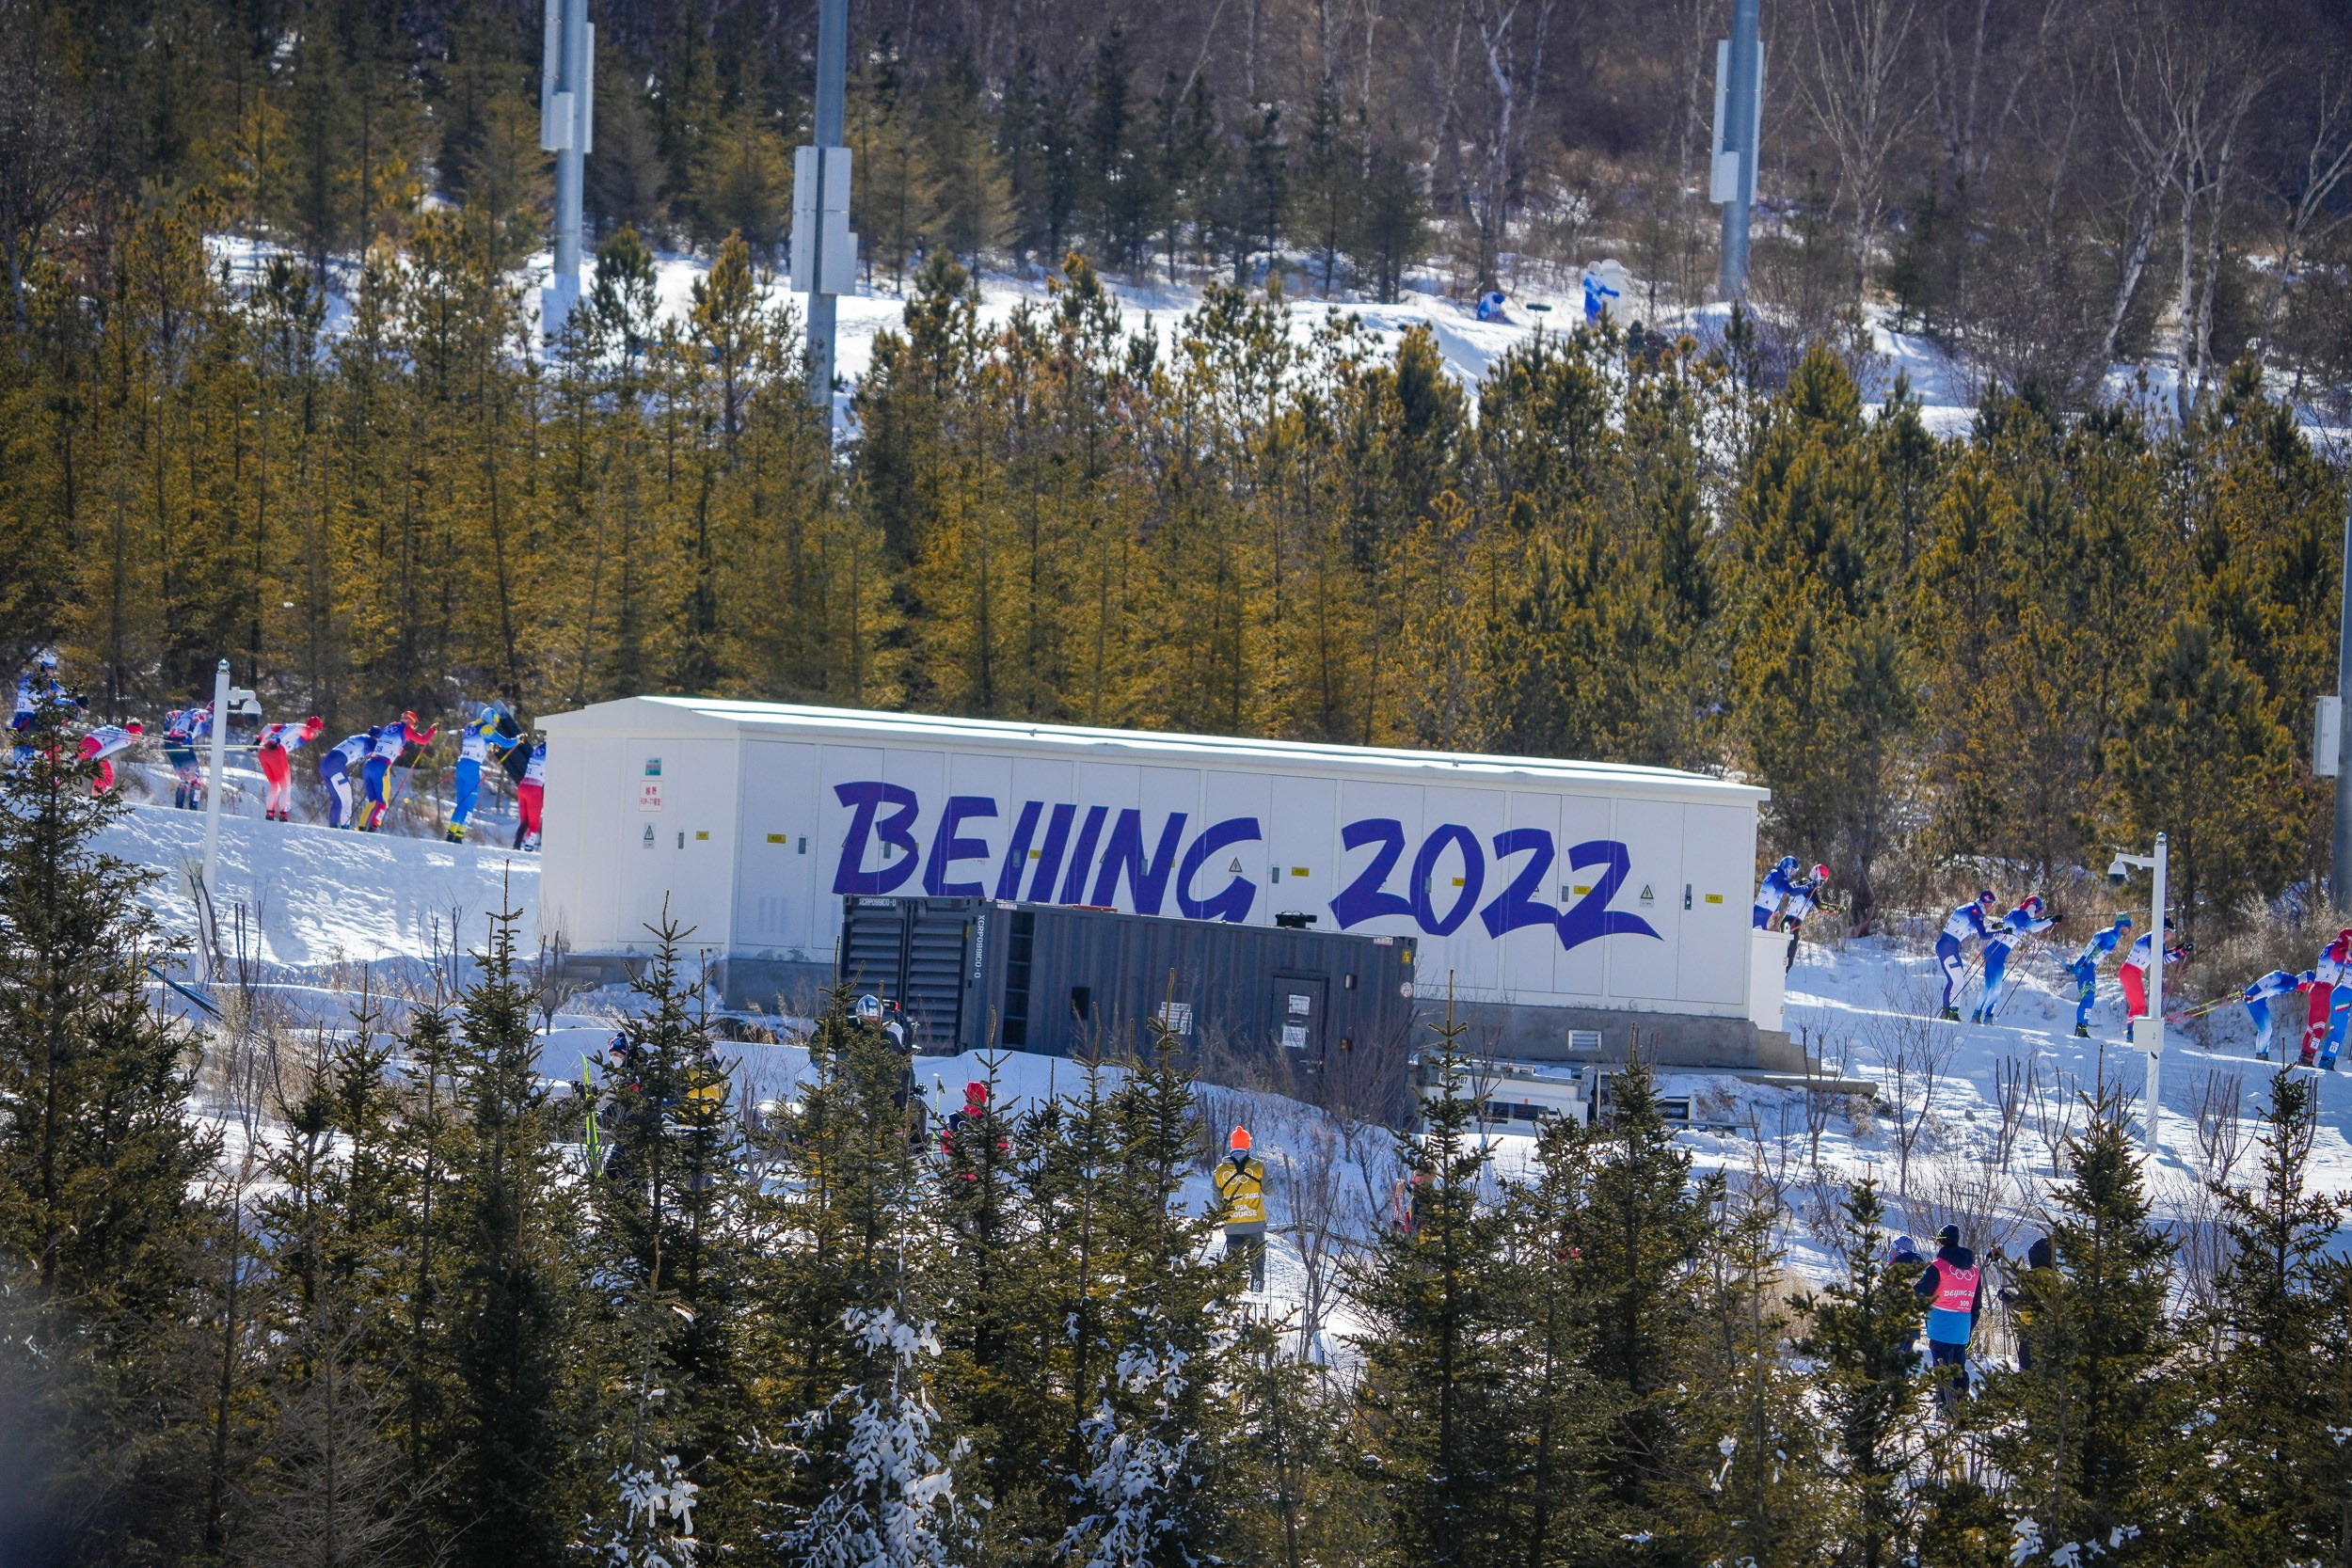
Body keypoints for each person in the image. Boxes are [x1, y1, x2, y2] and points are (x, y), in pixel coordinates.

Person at [1913, 1223, 1983, 1406]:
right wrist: (1968, 1328)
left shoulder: (1938, 1266)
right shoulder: (1974, 1271)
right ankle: (1960, 1407)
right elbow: (1976, 1305)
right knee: (1959, 1368)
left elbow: (1921, 1292)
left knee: (1942, 1368)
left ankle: (1944, 1407)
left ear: (1941, 1243)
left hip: (1940, 1325)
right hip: (1962, 1328)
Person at [1972, 895, 2058, 1023]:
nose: (2037, 913)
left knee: (1989, 986)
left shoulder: (2019, 914)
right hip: (1997, 951)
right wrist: (2051, 921)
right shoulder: (2021, 915)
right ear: (2032, 906)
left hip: (1995, 950)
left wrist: (2048, 919)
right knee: (1996, 988)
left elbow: (2033, 923)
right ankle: (1987, 1017)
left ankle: (1976, 1015)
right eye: (2037, 910)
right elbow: (2033, 927)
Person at [446, 703, 519, 844]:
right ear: (491, 718)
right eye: (495, 721)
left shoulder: (471, 726)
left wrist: (490, 746)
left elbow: (479, 742)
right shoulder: (487, 728)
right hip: (472, 768)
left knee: (461, 801)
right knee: (469, 803)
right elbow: (506, 742)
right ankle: (459, 835)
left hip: (462, 764)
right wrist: (518, 739)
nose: (496, 725)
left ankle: (451, 833)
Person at [359, 711, 437, 832]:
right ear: (410, 721)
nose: (413, 728)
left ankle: (361, 827)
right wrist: (432, 730)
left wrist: (397, 750)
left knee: (372, 801)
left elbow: (386, 741)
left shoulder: (391, 726)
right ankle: (372, 828)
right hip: (381, 766)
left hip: (369, 764)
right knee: (382, 803)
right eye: (414, 725)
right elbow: (423, 740)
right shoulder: (406, 728)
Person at [1935, 891, 2007, 1022]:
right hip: (1949, 946)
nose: (1991, 907)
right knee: (1958, 981)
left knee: (1954, 981)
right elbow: (1983, 935)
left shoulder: (1970, 908)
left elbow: (1970, 928)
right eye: (1991, 904)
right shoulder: (1976, 913)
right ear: (1987, 903)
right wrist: (2001, 932)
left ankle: (1948, 1012)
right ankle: (1951, 1013)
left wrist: (1993, 927)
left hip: (1944, 945)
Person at [2118, 918, 2186, 1044]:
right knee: (2139, 1006)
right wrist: (2180, 953)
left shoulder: (2153, 937)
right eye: (2173, 931)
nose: (2173, 935)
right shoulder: (2156, 939)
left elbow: (2163, 954)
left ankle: (2132, 1033)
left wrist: (2179, 949)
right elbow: (2162, 959)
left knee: (2136, 1005)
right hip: (2131, 972)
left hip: (2129, 971)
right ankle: (2133, 1035)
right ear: (2166, 930)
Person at [2065, 914, 2134, 1038]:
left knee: (2088, 998)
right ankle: (2081, 1029)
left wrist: (2078, 965)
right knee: (2089, 998)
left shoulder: (2108, 932)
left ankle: (2081, 1028)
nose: (2130, 930)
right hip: (2086, 968)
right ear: (2123, 926)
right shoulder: (2112, 936)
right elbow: (2095, 950)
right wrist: (2083, 966)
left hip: (2085, 967)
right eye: (2129, 927)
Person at [1999, 1235, 2056, 1372]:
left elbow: (2020, 1305)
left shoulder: (2033, 1276)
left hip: (2032, 1332)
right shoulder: (2060, 1277)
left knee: (2027, 1371)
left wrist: (2004, 1297)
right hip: (2056, 1332)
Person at [255, 715, 325, 821]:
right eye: (319, 731)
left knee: (275, 787)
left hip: (264, 751)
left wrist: (259, 740)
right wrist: (278, 740)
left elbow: (268, 727)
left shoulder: (287, 726)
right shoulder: (308, 731)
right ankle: (283, 816)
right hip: (277, 751)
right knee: (286, 787)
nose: (317, 734)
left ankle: (269, 815)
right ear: (315, 728)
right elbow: (296, 729)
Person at [2305, 930, 2352, 1070]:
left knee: (2325, 1028)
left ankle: (2312, 1056)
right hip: (2342, 994)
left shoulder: (2335, 949)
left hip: (2335, 991)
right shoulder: (2338, 949)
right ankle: (2326, 1061)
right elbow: (2339, 954)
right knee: (2336, 1031)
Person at [2245, 968, 2314, 1061]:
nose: (2308, 990)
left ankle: (2261, 1054)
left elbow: (2269, 980)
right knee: (2266, 1030)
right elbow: (2270, 990)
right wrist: (2253, 998)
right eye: (2310, 986)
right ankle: (2261, 1055)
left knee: (2264, 1029)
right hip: (2256, 999)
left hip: (2256, 996)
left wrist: (2251, 993)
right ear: (2306, 981)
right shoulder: (2292, 983)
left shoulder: (2290, 979)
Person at [1777, 863, 1832, 972]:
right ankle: (1779, 981)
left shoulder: (1805, 882)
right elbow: (1820, 905)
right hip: (1793, 923)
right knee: (1788, 959)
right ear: (1818, 875)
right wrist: (1837, 908)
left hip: (1787, 921)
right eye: (1824, 877)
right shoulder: (1810, 887)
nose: (1825, 881)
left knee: (1783, 956)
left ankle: (1778, 980)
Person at [317, 727, 373, 829]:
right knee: (347, 799)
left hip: (325, 765)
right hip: (335, 765)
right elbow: (377, 751)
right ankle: (345, 827)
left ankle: (332, 826)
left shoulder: (356, 738)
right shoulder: (370, 739)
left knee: (337, 799)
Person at [76, 721, 142, 795]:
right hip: (93, 747)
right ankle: (101, 797)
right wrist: (92, 759)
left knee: (103, 773)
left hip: (84, 744)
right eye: (139, 734)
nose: (139, 738)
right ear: (134, 732)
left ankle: (97, 795)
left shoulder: (119, 731)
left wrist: (77, 754)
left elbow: (94, 734)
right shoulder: (126, 738)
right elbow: (109, 749)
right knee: (107, 774)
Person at [1754, 855, 1803, 929]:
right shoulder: (1780, 877)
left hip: (1761, 911)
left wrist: (1776, 910)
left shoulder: (1775, 874)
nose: (1792, 874)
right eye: (1793, 871)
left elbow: (1775, 893)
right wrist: (1811, 885)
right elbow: (1792, 891)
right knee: (1756, 938)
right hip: (1762, 914)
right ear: (1788, 867)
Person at [515, 736, 546, 850]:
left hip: (523, 786)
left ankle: (516, 845)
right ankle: (528, 847)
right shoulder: (552, 750)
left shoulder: (539, 748)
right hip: (534, 789)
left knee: (524, 821)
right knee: (534, 823)